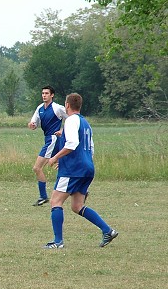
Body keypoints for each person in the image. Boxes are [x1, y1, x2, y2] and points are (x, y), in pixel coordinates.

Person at [44, 92, 118, 249]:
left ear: (67, 105)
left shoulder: (70, 121)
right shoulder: (85, 123)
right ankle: (108, 231)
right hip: (87, 168)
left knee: (56, 201)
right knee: (77, 206)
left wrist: (55, 157)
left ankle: (58, 242)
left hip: (73, 170)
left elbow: (71, 144)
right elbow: (90, 149)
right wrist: (67, 160)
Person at [28, 85, 68, 206]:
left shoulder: (57, 108)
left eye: (46, 93)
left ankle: (43, 196)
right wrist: (32, 125)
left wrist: (62, 130)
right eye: (43, 93)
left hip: (53, 139)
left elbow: (73, 119)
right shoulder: (40, 108)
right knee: (63, 167)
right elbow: (34, 122)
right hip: (49, 139)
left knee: (37, 168)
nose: (44, 95)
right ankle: (80, 189)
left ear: (52, 95)